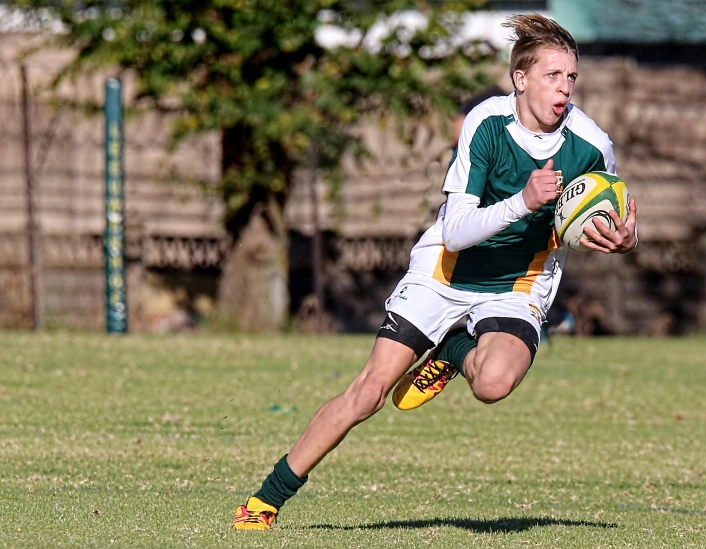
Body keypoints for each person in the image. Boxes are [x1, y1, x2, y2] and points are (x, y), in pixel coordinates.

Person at [231, 13, 638, 531]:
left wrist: (627, 240)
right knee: (369, 392)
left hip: (517, 287)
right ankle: (267, 500)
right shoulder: (486, 125)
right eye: (551, 75)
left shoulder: (591, 144)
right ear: (520, 78)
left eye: (571, 77)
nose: (564, 88)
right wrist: (523, 200)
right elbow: (457, 231)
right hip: (444, 274)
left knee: (493, 384)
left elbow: (618, 215)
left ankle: (453, 351)